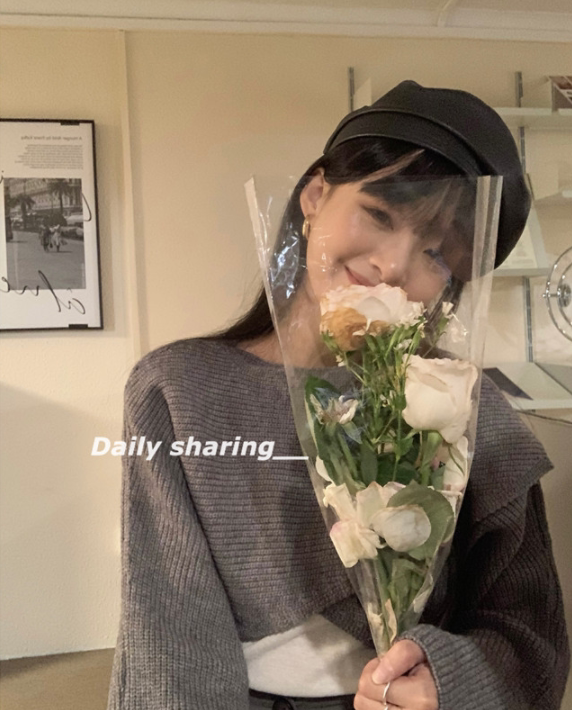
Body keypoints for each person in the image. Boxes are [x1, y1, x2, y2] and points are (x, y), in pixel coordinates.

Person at [106, 81, 570, 710]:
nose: (394, 264)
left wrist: (447, 681)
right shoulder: (179, 390)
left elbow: (531, 634)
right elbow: (169, 634)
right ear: (315, 195)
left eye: (437, 254)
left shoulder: (458, 403)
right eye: (379, 214)